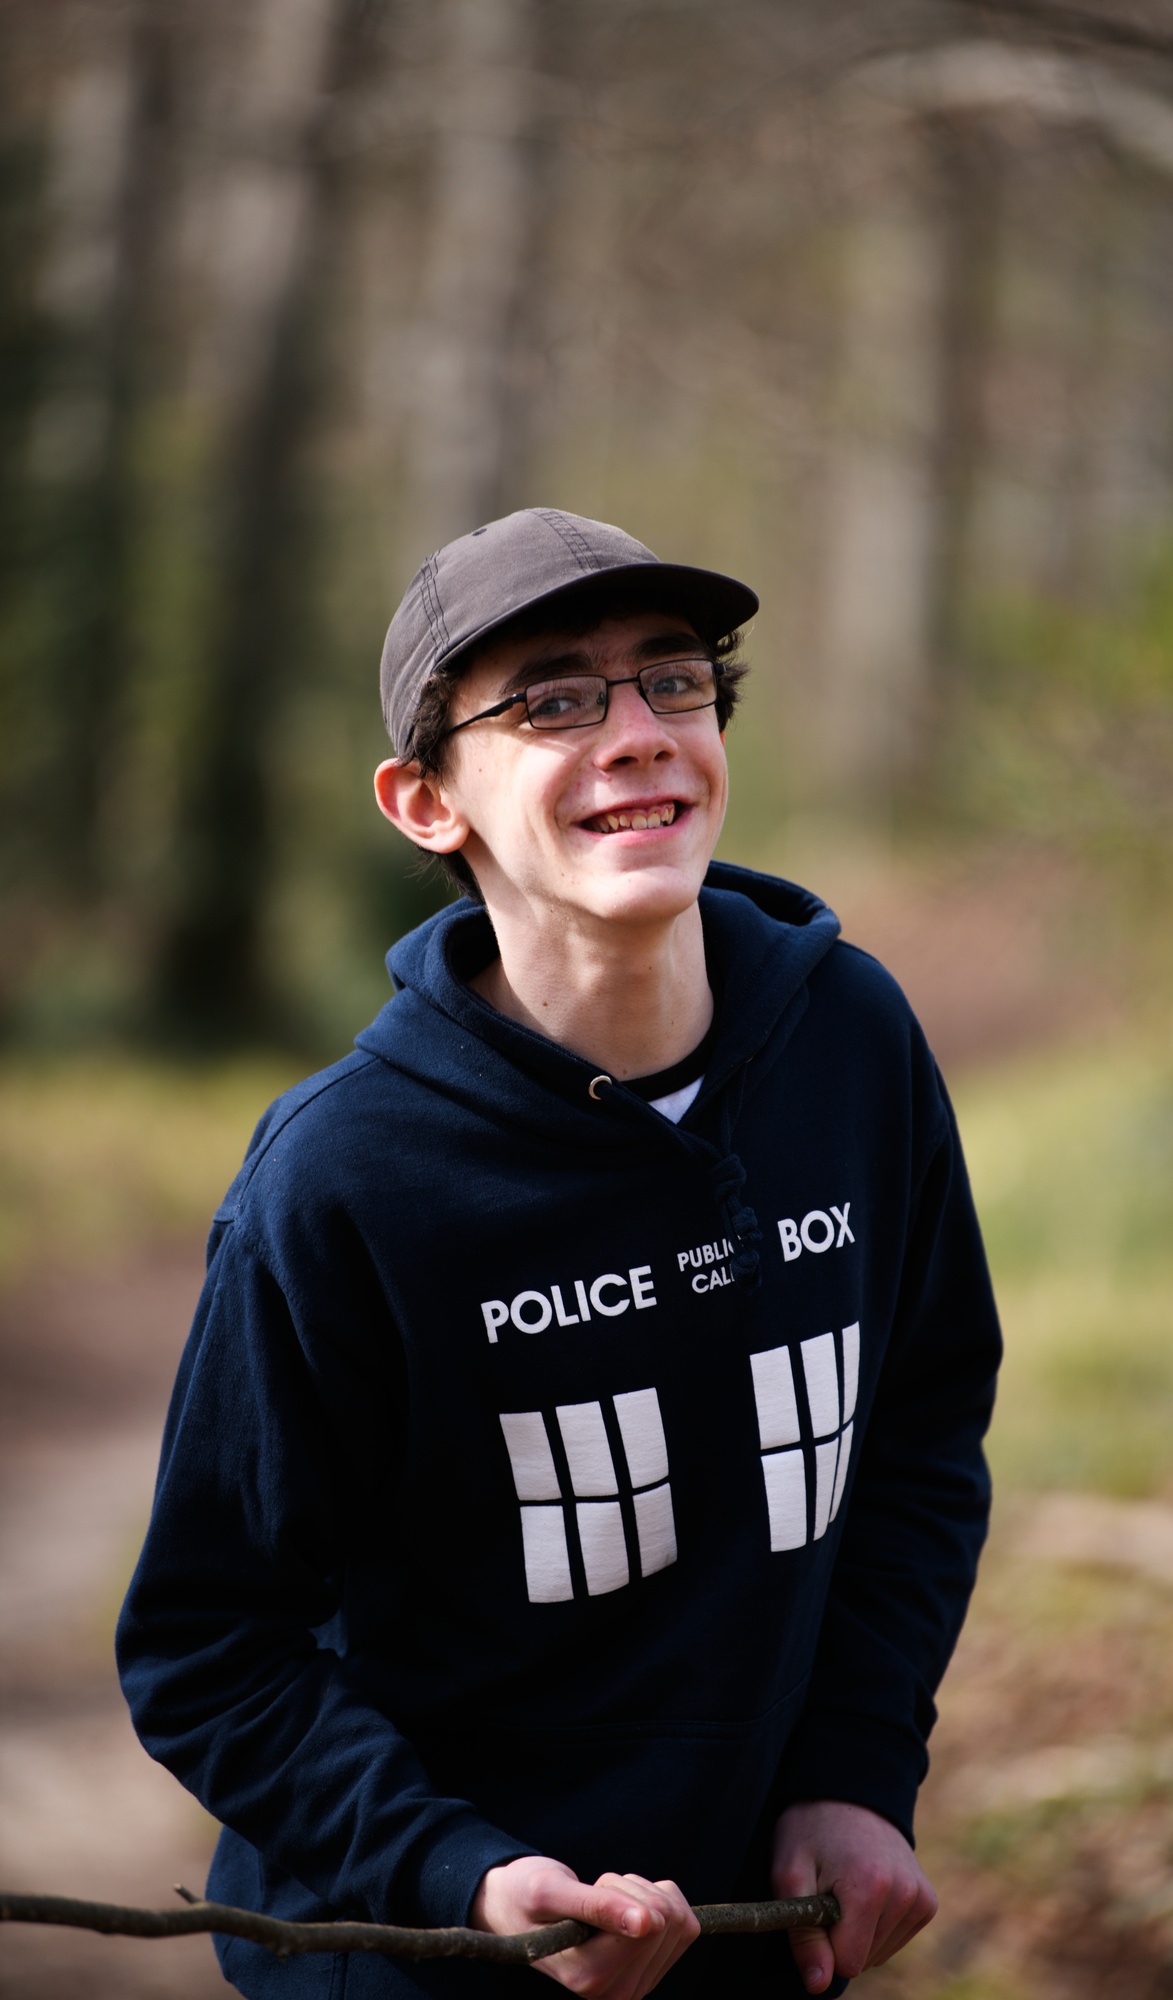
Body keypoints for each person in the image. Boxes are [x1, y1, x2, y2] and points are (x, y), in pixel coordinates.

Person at [117, 507, 1002, 2000]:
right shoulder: (344, 1178)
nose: (641, 731)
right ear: (425, 803)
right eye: (554, 701)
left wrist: (857, 1765)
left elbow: (917, 1435)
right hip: (429, 1960)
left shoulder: (854, 1042)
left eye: (675, 679)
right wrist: (459, 1875)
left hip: (754, 1940)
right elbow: (210, 1646)